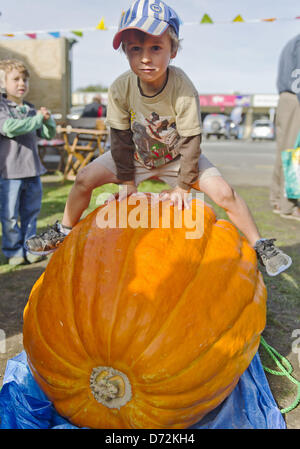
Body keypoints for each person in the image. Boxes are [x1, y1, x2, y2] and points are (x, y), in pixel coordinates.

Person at [26, 0, 292, 277]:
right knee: (83, 179)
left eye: (156, 47)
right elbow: (119, 138)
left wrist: (182, 188)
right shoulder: (120, 87)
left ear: (173, 49)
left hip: (178, 157)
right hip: (135, 156)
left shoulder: (183, 87)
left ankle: (260, 244)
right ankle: (64, 230)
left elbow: (191, 143)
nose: (145, 57)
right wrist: (127, 183)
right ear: (126, 52)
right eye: (135, 49)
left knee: (225, 193)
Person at [0, 59, 56, 266]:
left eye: (25, 79)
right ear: (3, 83)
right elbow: (10, 128)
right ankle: (13, 250)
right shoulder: (2, 106)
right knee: (10, 217)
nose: (21, 83)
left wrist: (47, 121)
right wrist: (37, 119)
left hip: (32, 170)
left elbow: (48, 134)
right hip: (9, 173)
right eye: (15, 79)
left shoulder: (32, 110)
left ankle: (29, 248)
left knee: (31, 214)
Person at [270, 34, 300, 221]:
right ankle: (289, 206)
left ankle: (277, 200)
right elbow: (297, 76)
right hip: (295, 98)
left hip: (287, 99)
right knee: (292, 152)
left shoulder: (293, 42)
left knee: (284, 151)